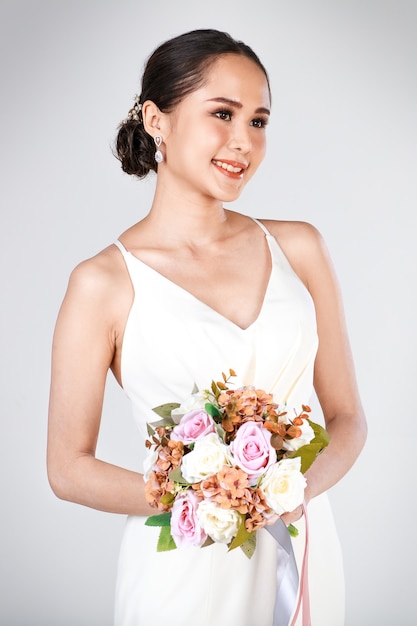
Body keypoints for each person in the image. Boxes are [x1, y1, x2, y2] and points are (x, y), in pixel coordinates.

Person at [47, 29, 367, 626]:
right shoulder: (102, 283)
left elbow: (347, 418)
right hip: (182, 569)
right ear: (156, 120)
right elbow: (67, 468)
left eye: (259, 121)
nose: (243, 142)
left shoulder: (300, 247)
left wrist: (288, 493)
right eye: (222, 113)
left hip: (301, 552)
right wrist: (207, 494)